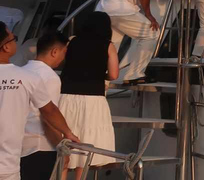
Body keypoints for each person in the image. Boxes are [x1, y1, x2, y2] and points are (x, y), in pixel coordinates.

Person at [0, 22, 79, 180]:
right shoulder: (30, 77)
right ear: (6, 47)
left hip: (20, 152)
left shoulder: (26, 72)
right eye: (13, 38)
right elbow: (48, 112)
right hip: (17, 158)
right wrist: (67, 135)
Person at [58, 13, 119, 180]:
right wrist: (101, 76)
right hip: (93, 99)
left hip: (67, 96)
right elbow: (114, 74)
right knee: (86, 143)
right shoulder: (108, 46)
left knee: (64, 144)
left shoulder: (72, 40)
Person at [19, 31, 69, 180]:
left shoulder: (22, 71)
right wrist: (61, 147)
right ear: (54, 52)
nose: (63, 57)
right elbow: (48, 116)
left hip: (19, 146)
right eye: (64, 52)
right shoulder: (50, 77)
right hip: (40, 146)